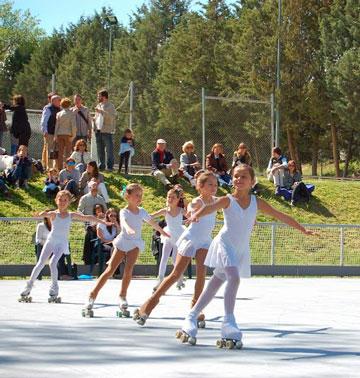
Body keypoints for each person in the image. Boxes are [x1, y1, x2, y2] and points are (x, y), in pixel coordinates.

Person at [177, 164, 315, 347]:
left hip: (240, 249)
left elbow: (279, 215)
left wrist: (302, 229)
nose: (239, 180)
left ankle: (191, 316)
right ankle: (228, 322)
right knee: (233, 278)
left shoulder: (256, 202)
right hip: (225, 244)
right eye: (236, 176)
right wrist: (195, 215)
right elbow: (210, 208)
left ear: (252, 181)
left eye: (243, 177)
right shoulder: (228, 199)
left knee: (214, 284)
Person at [133, 171, 219, 326]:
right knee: (176, 274)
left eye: (216, 184)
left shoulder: (217, 201)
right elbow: (193, 208)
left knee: (201, 275)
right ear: (200, 187)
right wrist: (193, 214)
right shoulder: (196, 201)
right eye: (210, 184)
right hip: (191, 239)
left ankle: (196, 309)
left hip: (205, 241)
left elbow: (231, 204)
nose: (214, 187)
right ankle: (148, 306)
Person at [82, 183, 170, 317]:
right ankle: (92, 296)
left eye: (141, 195)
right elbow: (123, 221)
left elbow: (151, 222)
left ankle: (122, 296)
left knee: (128, 270)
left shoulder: (142, 211)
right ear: (128, 197)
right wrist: (128, 229)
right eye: (136, 195)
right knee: (110, 270)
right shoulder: (124, 211)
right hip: (123, 241)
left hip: (135, 243)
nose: (139, 198)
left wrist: (162, 231)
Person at [19, 190, 113, 302]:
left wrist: (103, 222)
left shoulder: (71, 215)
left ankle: (54, 289)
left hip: (61, 243)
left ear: (68, 202)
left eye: (65, 200)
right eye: (60, 199)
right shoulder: (54, 214)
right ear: (56, 201)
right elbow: (44, 214)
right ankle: (28, 287)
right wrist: (41, 214)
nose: (62, 202)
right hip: (51, 241)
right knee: (40, 263)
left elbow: (89, 218)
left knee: (53, 263)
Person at [151, 187, 187, 292]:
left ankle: (179, 277)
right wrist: (141, 216)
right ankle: (160, 279)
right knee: (164, 258)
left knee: (175, 260)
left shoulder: (181, 210)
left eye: (173, 197)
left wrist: (193, 218)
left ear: (178, 199)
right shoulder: (165, 211)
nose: (170, 199)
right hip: (168, 235)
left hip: (179, 236)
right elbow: (151, 216)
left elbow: (192, 216)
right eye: (168, 197)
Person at [94, 89, 116, 171]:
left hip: (107, 131)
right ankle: (101, 166)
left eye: (99, 96)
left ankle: (110, 167)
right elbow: (97, 117)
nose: (98, 97)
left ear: (104, 97)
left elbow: (111, 117)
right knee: (100, 149)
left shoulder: (110, 106)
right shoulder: (98, 105)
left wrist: (102, 112)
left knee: (109, 150)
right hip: (98, 131)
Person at [95, 208, 120, 274]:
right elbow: (100, 236)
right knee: (114, 249)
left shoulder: (115, 225)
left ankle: (113, 269)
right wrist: (109, 241)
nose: (113, 217)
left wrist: (117, 225)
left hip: (113, 243)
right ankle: (115, 271)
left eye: (115, 216)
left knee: (118, 248)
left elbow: (120, 235)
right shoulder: (101, 223)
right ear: (107, 215)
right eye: (111, 215)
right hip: (102, 244)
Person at [54, 97, 77, 170]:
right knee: (68, 153)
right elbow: (73, 126)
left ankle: (60, 168)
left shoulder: (59, 114)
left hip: (59, 134)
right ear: (69, 105)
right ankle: (68, 167)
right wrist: (73, 135)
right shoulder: (71, 114)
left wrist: (55, 136)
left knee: (60, 153)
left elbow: (56, 126)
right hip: (68, 135)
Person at [40, 94, 61, 170]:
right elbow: (44, 121)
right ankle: (49, 167)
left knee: (56, 151)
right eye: (59, 100)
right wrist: (45, 131)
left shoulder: (60, 109)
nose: (60, 101)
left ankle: (55, 167)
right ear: (53, 101)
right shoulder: (48, 108)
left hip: (58, 134)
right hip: (50, 133)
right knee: (50, 151)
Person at [35, 215, 52, 280]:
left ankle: (61, 275)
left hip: (53, 245)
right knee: (41, 260)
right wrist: (46, 243)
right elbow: (38, 240)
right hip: (43, 245)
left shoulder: (56, 225)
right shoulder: (41, 225)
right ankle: (38, 276)